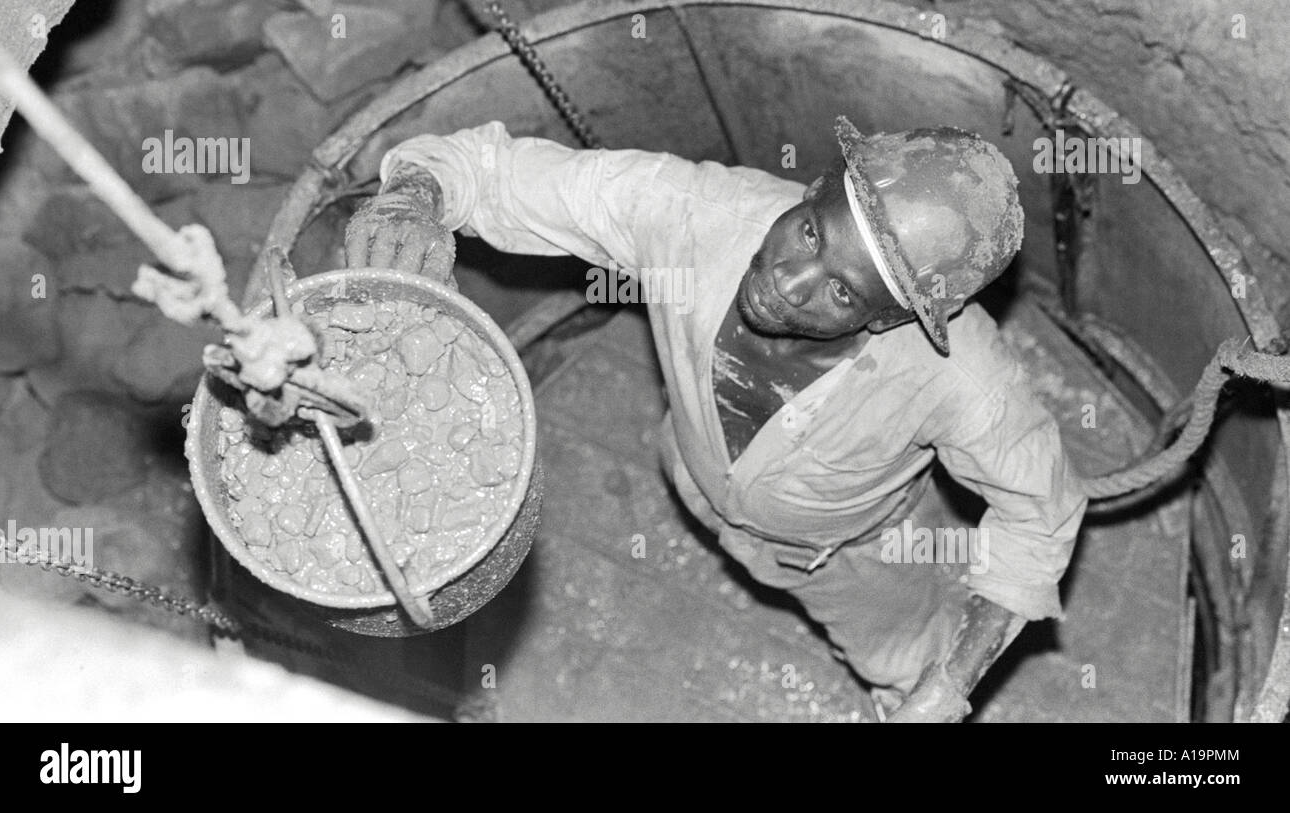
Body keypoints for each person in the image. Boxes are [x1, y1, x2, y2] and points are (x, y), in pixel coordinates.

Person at [344, 117, 1086, 722]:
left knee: (901, 656)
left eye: (843, 296)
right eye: (808, 233)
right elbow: (496, 173)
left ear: (898, 318)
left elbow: (1041, 516)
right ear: (817, 185)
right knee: (712, 492)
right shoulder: (696, 215)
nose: (788, 283)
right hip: (695, 474)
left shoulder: (961, 378)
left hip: (842, 550)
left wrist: (952, 680)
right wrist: (416, 193)